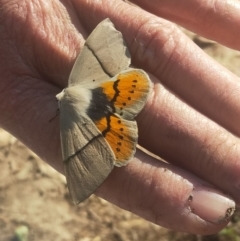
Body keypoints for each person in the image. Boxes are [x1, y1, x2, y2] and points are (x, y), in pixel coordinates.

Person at [0, 0, 240, 235]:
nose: (61, 95)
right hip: (109, 90)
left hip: (98, 124)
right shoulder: (76, 79)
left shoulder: (68, 119)